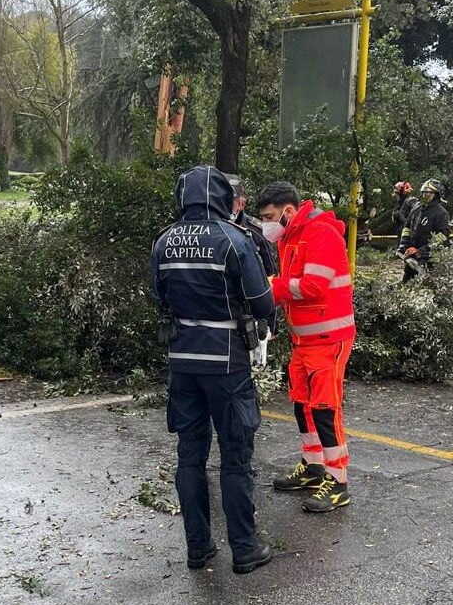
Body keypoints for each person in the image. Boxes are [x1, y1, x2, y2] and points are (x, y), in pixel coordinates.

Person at [151, 165, 276, 575]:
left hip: (182, 361)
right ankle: (244, 548)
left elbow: (158, 296)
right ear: (223, 198)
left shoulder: (164, 241)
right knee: (235, 455)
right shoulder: (234, 240)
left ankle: (198, 547)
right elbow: (262, 302)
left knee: (190, 455)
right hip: (226, 363)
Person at [259, 182, 355, 513]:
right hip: (305, 339)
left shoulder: (321, 233)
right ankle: (314, 467)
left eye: (269, 217)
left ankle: (338, 481)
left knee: (326, 409)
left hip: (328, 339)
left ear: (288, 211)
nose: (266, 224)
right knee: (303, 404)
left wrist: (271, 288)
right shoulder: (289, 236)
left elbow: (313, 286)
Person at [226, 173, 279, 336]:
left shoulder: (256, 231)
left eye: (230, 200)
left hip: (251, 315)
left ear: (242, 203)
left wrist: (268, 321)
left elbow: (271, 276)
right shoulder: (210, 229)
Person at [397, 178, 451, 282]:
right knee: (406, 283)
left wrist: (420, 251)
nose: (425, 195)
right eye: (423, 192)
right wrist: (404, 245)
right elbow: (407, 227)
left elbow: (442, 236)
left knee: (427, 285)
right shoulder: (417, 208)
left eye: (428, 193)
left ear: (436, 195)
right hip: (412, 256)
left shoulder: (441, 213)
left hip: (429, 259)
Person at [391, 181, 417, 249]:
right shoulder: (399, 203)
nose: (395, 195)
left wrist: (402, 219)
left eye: (397, 193)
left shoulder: (411, 201)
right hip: (401, 233)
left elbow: (414, 218)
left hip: (408, 234)